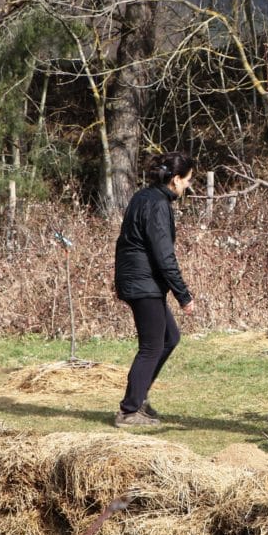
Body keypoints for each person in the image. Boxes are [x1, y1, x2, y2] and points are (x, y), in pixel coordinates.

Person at [112, 152, 197, 428]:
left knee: (169, 337)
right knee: (151, 346)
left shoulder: (144, 197)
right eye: (187, 181)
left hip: (138, 279)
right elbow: (164, 256)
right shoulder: (158, 205)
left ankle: (140, 396)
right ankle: (129, 410)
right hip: (143, 281)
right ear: (175, 179)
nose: (188, 186)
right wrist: (183, 295)